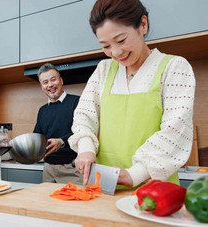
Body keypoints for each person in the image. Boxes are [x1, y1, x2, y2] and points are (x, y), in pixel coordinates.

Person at [69, 0, 195, 189]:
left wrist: (136, 173)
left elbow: (176, 130)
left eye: (121, 40)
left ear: (143, 25)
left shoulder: (174, 67)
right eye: (105, 46)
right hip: (105, 186)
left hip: (156, 190)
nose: (116, 52)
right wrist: (86, 149)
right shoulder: (104, 70)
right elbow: (84, 115)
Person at [33, 63, 82, 185]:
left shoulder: (77, 102)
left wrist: (62, 141)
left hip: (73, 168)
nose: (50, 85)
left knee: (74, 203)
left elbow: (85, 131)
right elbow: (37, 137)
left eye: (53, 80)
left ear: (61, 81)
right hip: (48, 169)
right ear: (41, 86)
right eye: (45, 82)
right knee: (48, 203)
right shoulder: (42, 110)